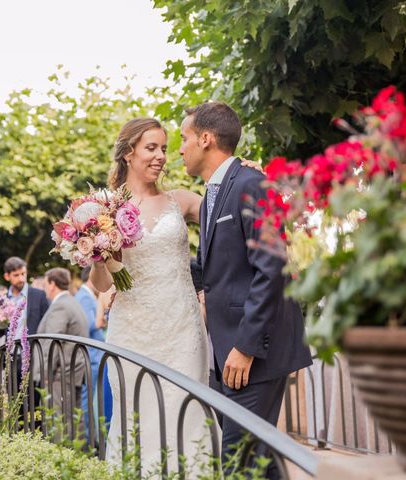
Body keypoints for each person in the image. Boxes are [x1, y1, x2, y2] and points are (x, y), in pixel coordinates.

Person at [90, 118, 262, 473]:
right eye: (151, 147)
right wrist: (96, 252)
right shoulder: (103, 210)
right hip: (132, 332)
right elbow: (100, 283)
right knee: (136, 418)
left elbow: (235, 209)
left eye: (165, 148)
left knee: (188, 412)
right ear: (127, 153)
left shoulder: (180, 201)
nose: (161, 157)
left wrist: (247, 174)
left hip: (183, 330)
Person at [181, 102, 312, 479]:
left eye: (184, 138)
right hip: (231, 356)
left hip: (254, 354)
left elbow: (271, 267)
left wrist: (246, 347)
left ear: (206, 139)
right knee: (260, 461)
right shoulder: (211, 198)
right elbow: (212, 271)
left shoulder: (253, 184)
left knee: (238, 462)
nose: (180, 148)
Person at [35, 267, 89, 438]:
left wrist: (45, 372)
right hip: (73, 370)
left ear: (52, 284)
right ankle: (79, 460)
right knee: (73, 419)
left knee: (56, 420)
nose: (44, 289)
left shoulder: (61, 306)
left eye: (45, 285)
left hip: (60, 373)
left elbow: (52, 341)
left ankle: (58, 460)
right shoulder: (73, 302)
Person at [73, 266, 104, 437]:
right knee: (88, 398)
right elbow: (88, 325)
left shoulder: (87, 296)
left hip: (95, 354)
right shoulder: (84, 297)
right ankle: (87, 436)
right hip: (91, 355)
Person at [0, 257, 49, 343]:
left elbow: (47, 326)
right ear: (7, 276)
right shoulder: (2, 300)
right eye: (16, 275)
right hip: (9, 353)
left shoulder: (39, 295)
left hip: (33, 352)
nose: (21, 279)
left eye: (23, 274)